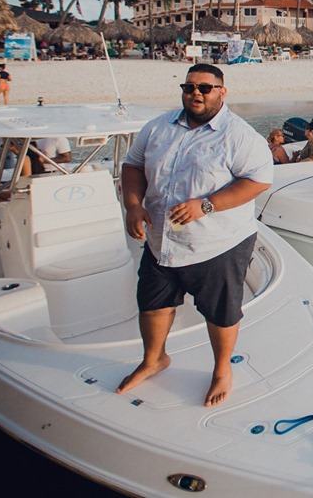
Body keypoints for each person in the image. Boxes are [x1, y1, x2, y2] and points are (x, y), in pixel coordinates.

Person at [117, 63, 274, 407]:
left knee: (221, 312)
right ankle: (154, 358)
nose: (196, 94)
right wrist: (133, 205)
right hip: (162, 240)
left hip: (217, 242)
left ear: (222, 91)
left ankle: (221, 370)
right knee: (153, 304)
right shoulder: (158, 127)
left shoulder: (240, 136)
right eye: (189, 88)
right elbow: (132, 165)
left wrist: (207, 205)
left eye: (205, 87)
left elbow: (258, 181)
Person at [0, 141, 43, 242]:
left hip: (22, 195)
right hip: (22, 192)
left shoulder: (25, 159)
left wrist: (3, 187)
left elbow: (24, 182)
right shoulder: (27, 159)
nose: (8, 147)